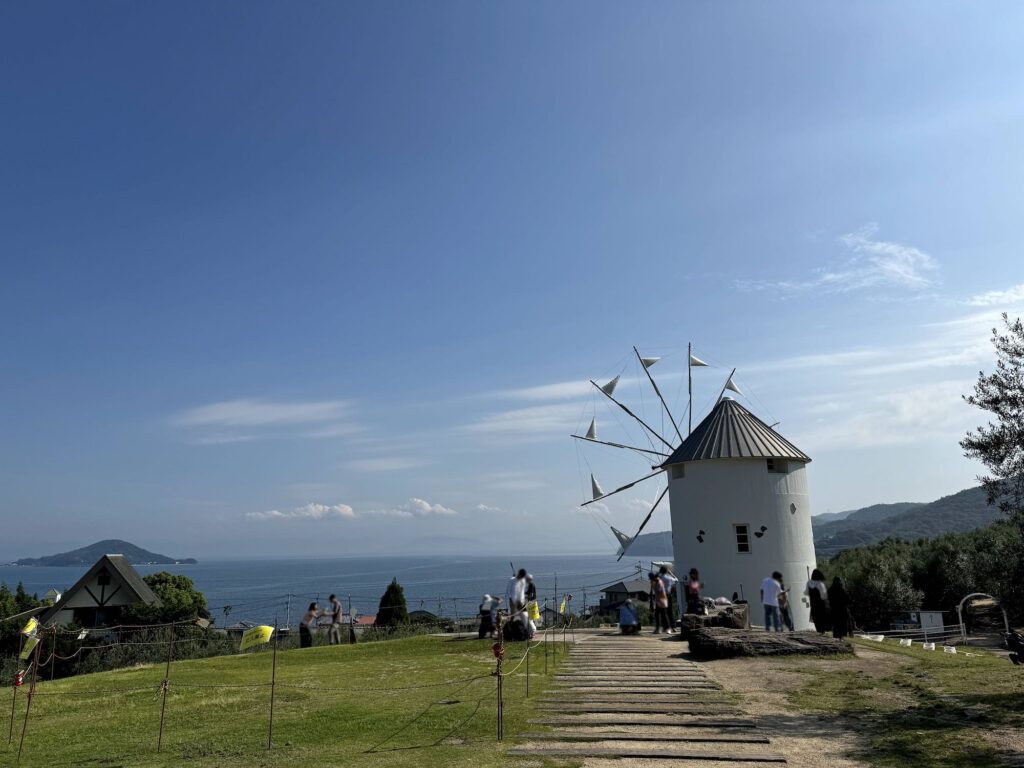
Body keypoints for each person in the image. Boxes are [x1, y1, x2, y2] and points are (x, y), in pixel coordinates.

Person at [804, 569, 830, 634]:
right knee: (822, 621)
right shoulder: (820, 584)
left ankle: (819, 632)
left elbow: (806, 593)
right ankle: (822, 632)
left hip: (813, 605)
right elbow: (824, 596)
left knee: (816, 620)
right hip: (821, 606)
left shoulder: (808, 583)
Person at [505, 569, 528, 639]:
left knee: (525, 614)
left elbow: (522, 592)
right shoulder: (512, 580)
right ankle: (511, 630)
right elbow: (508, 591)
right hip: (512, 600)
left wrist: (523, 601)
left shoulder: (523, 581)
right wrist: (510, 599)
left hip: (520, 601)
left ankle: (525, 629)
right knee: (513, 615)